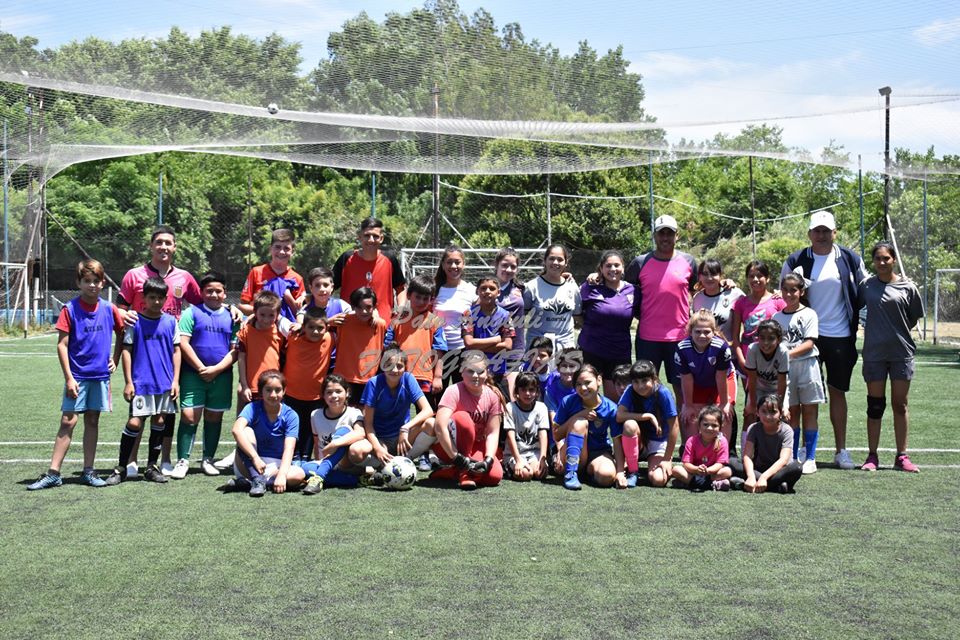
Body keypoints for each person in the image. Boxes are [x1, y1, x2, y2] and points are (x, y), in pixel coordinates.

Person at [781, 210, 867, 470]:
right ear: (809, 234)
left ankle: (841, 451)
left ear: (835, 233)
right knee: (805, 398)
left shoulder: (850, 259)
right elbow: (782, 293)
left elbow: (865, 291)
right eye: (816, 231)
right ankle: (805, 452)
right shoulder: (796, 260)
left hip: (841, 337)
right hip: (808, 339)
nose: (821, 235)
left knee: (837, 393)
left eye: (826, 231)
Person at [27, 259, 124, 490]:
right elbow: (62, 345)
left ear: (103, 283)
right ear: (78, 283)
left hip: (100, 376)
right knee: (68, 421)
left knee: (92, 419)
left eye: (96, 281)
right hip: (77, 376)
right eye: (87, 281)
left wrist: (115, 359)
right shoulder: (70, 309)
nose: (92, 285)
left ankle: (88, 471)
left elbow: (122, 334)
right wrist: (69, 378)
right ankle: (53, 473)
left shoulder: (110, 309)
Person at [106, 277, 181, 485]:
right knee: (134, 422)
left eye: (160, 298)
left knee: (159, 421)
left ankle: (151, 467)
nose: (156, 302)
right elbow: (127, 351)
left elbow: (176, 351)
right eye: (152, 297)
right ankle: (121, 468)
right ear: (143, 299)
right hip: (142, 383)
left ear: (166, 299)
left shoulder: (170, 322)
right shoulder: (135, 321)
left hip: (164, 383)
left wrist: (175, 381)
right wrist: (129, 381)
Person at [857, 241, 924, 472]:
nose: (882, 262)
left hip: (901, 353)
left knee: (900, 404)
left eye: (886, 258)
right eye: (878, 259)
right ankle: (872, 456)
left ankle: (902, 456)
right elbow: (854, 307)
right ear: (873, 262)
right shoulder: (866, 286)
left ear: (893, 260)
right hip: (874, 354)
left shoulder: (908, 287)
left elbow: (914, 317)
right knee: (875, 406)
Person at [171, 271, 238, 479]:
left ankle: (207, 459)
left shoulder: (233, 316)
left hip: (222, 376)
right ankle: (183, 460)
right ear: (201, 292)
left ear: (225, 293)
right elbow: (183, 342)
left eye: (218, 291)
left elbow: (236, 349)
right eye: (209, 291)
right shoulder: (192, 313)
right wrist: (201, 368)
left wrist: (216, 369)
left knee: (213, 416)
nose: (214, 295)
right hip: (193, 374)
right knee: (189, 416)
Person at [623, 215, 697, 403]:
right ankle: (650, 431)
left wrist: (726, 283)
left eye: (669, 233)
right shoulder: (640, 263)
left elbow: (701, 289)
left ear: (677, 236)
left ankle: (686, 432)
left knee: (682, 393)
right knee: (644, 392)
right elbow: (623, 291)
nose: (665, 237)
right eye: (661, 233)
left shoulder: (689, 262)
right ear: (654, 236)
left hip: (680, 338)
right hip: (648, 338)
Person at [348, 343, 436, 469]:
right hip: (380, 439)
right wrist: (378, 448)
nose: (394, 370)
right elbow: (368, 424)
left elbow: (428, 410)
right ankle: (386, 462)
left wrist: (405, 428)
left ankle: (399, 461)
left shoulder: (408, 379)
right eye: (389, 365)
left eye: (399, 366)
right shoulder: (374, 383)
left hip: (403, 439)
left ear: (405, 367)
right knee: (356, 452)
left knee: (432, 424)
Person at [429, 352, 505, 490]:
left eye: (480, 371)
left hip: (476, 444)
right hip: (449, 446)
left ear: (487, 373)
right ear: (461, 371)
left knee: (494, 476)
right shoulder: (453, 391)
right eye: (470, 371)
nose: (475, 376)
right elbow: (439, 426)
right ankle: (463, 472)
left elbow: (493, 433)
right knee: (463, 418)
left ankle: (450, 472)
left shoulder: (493, 395)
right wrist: (456, 457)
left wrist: (488, 459)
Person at [773, 272, 825, 474]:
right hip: (787, 370)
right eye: (785, 289)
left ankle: (810, 457)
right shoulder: (777, 317)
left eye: (793, 289)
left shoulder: (809, 314)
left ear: (801, 291)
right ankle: (793, 456)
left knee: (810, 410)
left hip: (807, 366)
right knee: (791, 412)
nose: (789, 293)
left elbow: (810, 343)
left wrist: (786, 353)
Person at [228, 370, 306, 496]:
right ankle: (255, 478)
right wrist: (255, 458)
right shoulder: (252, 408)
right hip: (250, 464)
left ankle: (252, 483)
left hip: (277, 467)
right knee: (246, 431)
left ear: (284, 391)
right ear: (260, 391)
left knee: (298, 475)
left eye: (278, 390)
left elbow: (289, 448)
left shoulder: (291, 415)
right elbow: (236, 430)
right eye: (268, 390)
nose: (273, 394)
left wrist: (281, 475)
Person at [578, 250, 635, 398]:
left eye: (616, 265)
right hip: (592, 350)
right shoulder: (589, 287)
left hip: (619, 352)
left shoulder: (633, 290)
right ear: (601, 268)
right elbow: (577, 313)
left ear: (623, 267)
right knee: (589, 394)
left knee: (616, 397)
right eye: (608, 266)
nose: (613, 269)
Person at [553, 364, 619, 490]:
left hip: (598, 452)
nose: (583, 388)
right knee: (580, 423)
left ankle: (587, 472)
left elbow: (617, 441)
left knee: (607, 477)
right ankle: (570, 473)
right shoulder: (568, 401)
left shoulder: (611, 408)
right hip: (570, 451)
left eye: (588, 382)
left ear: (599, 380)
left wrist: (620, 470)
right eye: (578, 384)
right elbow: (556, 435)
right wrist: (577, 416)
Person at [616, 360, 679, 488]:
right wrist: (647, 416)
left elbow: (674, 426)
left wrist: (667, 459)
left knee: (658, 480)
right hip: (638, 439)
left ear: (654, 379)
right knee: (629, 425)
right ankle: (633, 471)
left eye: (645, 381)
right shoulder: (630, 390)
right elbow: (619, 416)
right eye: (636, 382)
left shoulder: (663, 393)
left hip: (658, 441)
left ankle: (655, 461)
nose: (640, 386)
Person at [675, 309, 735, 445]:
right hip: (697, 383)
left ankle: (721, 455)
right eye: (697, 331)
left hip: (722, 381)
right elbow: (686, 378)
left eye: (707, 332)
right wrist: (688, 405)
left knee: (724, 414)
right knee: (689, 416)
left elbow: (721, 376)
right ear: (690, 331)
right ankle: (693, 453)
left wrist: (725, 403)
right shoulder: (682, 348)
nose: (702, 335)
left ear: (714, 332)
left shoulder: (721, 347)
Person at [300, 374, 367, 493]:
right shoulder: (315, 415)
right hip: (326, 462)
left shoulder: (353, 413)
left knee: (344, 429)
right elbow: (317, 444)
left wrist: (335, 444)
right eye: (329, 392)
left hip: (345, 462)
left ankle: (319, 476)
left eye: (338, 391)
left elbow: (360, 433)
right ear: (323, 395)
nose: (334, 396)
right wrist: (320, 460)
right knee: (303, 469)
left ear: (347, 393)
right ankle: (357, 480)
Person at [283, 307, 333, 460]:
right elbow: (277, 318)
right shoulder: (293, 336)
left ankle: (305, 457)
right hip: (291, 394)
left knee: (310, 429)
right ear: (303, 327)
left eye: (320, 328)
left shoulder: (330, 338)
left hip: (316, 396)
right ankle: (293, 457)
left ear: (326, 328)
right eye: (311, 327)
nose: (315, 332)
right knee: (293, 427)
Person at [384, 274, 446, 400]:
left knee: (426, 415)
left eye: (425, 298)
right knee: (397, 414)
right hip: (398, 375)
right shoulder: (397, 320)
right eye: (417, 297)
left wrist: (438, 377)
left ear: (431, 300)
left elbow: (440, 352)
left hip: (424, 376)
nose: (421, 302)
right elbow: (387, 347)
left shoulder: (435, 322)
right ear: (408, 295)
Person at [333, 217, 406, 320]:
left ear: (381, 238)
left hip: (382, 324)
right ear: (360, 237)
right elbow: (330, 287)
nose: (371, 240)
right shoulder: (347, 258)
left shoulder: (389, 259)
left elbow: (401, 288)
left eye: (375, 236)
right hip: (350, 324)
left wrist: (401, 308)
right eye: (367, 235)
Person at [730, 394, 802, 493]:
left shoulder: (787, 430)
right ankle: (776, 487)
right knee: (731, 461)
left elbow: (783, 460)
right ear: (757, 413)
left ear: (780, 413)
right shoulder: (754, 428)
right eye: (764, 411)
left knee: (796, 467)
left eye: (773, 412)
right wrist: (751, 476)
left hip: (778, 471)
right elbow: (747, 456)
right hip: (758, 469)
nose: (768, 416)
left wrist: (764, 477)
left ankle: (747, 484)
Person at [333, 287, 388, 403]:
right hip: (344, 378)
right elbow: (318, 326)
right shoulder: (343, 321)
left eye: (368, 307)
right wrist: (328, 321)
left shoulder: (380, 324)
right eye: (359, 307)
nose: (364, 311)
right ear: (353, 307)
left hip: (370, 379)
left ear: (374, 307)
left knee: (368, 417)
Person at [731, 259, 786, 374]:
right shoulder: (740, 303)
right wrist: (742, 361)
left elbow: (785, 332)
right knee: (751, 391)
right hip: (748, 357)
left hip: (773, 358)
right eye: (751, 276)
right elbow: (735, 338)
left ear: (767, 278)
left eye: (760, 276)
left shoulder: (778, 301)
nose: (755, 279)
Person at [462, 275, 514, 396]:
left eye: (492, 288)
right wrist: (496, 339)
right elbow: (468, 343)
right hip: (473, 371)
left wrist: (477, 346)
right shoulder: (468, 314)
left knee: (501, 407)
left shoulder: (506, 315)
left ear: (498, 292)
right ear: (477, 291)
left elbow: (508, 345)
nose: (487, 292)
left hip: (498, 370)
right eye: (483, 288)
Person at [238, 228, 304, 322]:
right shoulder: (256, 272)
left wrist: (289, 298)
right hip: (259, 329)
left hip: (284, 333)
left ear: (292, 252)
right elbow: (242, 305)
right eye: (277, 247)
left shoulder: (297, 279)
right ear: (270, 249)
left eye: (286, 248)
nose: (281, 252)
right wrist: (263, 313)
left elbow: (300, 313)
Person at [237, 290, 289, 407]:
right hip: (252, 388)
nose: (266, 319)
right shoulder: (246, 331)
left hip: (274, 388)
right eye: (262, 315)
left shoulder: (281, 333)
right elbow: (241, 359)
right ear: (255, 312)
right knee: (252, 422)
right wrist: (244, 386)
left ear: (278, 314)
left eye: (271, 315)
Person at [523, 244, 581, 350]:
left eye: (560, 259)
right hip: (538, 348)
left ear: (566, 263)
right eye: (551, 258)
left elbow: (578, 316)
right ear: (545, 261)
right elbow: (521, 315)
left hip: (565, 348)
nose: (555, 262)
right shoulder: (532, 286)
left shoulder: (572, 287)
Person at [433, 245, 476, 384]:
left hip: (462, 350)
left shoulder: (471, 290)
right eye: (449, 262)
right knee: (438, 394)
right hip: (438, 351)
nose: (453, 266)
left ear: (464, 264)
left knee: (462, 393)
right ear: (443, 265)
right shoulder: (434, 289)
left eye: (457, 262)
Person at [296, 266, 350, 371]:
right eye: (317, 285)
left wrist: (374, 311)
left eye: (326, 285)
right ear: (311, 288)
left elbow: (358, 316)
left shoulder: (342, 306)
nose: (322, 289)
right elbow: (301, 330)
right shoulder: (304, 311)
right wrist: (328, 322)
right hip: (314, 361)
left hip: (337, 362)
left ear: (332, 287)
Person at [671, 405, 733, 491]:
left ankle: (690, 483)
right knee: (676, 470)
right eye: (705, 424)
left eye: (714, 425)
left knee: (727, 471)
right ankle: (713, 485)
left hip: (711, 473)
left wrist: (707, 470)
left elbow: (720, 464)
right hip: (694, 472)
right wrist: (697, 469)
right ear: (699, 426)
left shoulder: (722, 441)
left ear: (720, 428)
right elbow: (686, 463)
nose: (709, 428)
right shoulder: (691, 441)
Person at [743, 320, 789, 433]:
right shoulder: (752, 349)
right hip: (758, 388)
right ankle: (746, 449)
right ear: (757, 338)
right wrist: (753, 405)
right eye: (762, 338)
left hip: (777, 389)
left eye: (771, 338)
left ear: (778, 339)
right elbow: (752, 380)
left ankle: (782, 448)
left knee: (784, 416)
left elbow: (782, 382)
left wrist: (781, 406)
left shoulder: (783, 351)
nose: (766, 343)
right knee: (749, 415)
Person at [502, 372, 550, 481]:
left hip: (534, 453)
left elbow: (543, 434)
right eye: (523, 390)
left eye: (531, 390)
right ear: (517, 391)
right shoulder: (510, 408)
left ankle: (535, 464)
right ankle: (507, 467)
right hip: (515, 454)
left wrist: (543, 458)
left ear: (537, 391)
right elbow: (510, 436)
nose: (527, 393)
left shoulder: (541, 407)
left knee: (539, 473)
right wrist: (518, 460)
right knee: (526, 474)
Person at [692, 258, 744, 343]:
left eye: (713, 274)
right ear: (699, 276)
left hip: (729, 352)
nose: (709, 278)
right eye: (705, 274)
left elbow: (753, 306)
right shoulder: (697, 298)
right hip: (704, 353)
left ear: (720, 275)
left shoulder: (734, 293)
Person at [494, 247, 526, 372]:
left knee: (513, 390)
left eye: (513, 266)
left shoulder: (521, 288)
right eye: (504, 265)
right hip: (492, 350)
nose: (508, 270)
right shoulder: (486, 288)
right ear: (496, 264)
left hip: (515, 352)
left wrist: (564, 275)